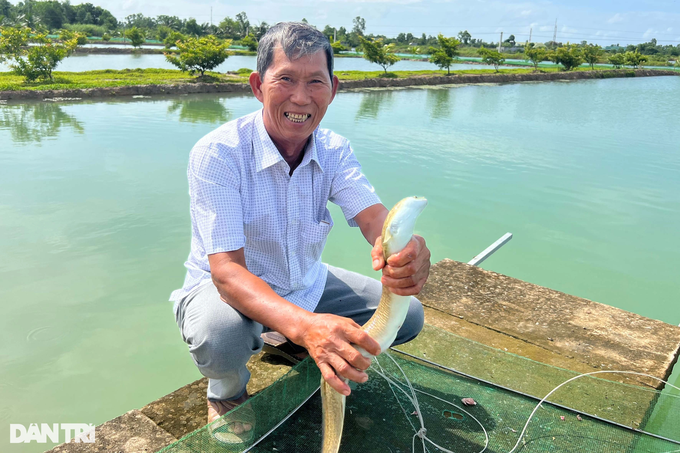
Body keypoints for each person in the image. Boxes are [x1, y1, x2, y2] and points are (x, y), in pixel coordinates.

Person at [170, 22, 431, 441]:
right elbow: (227, 272)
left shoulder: (334, 148)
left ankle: (289, 339)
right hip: (227, 289)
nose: (301, 98)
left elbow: (372, 217)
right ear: (258, 86)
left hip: (304, 282)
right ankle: (226, 392)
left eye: (315, 82)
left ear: (334, 88)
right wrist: (308, 327)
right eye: (285, 80)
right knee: (219, 335)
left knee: (409, 315)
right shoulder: (217, 153)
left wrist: (407, 248)